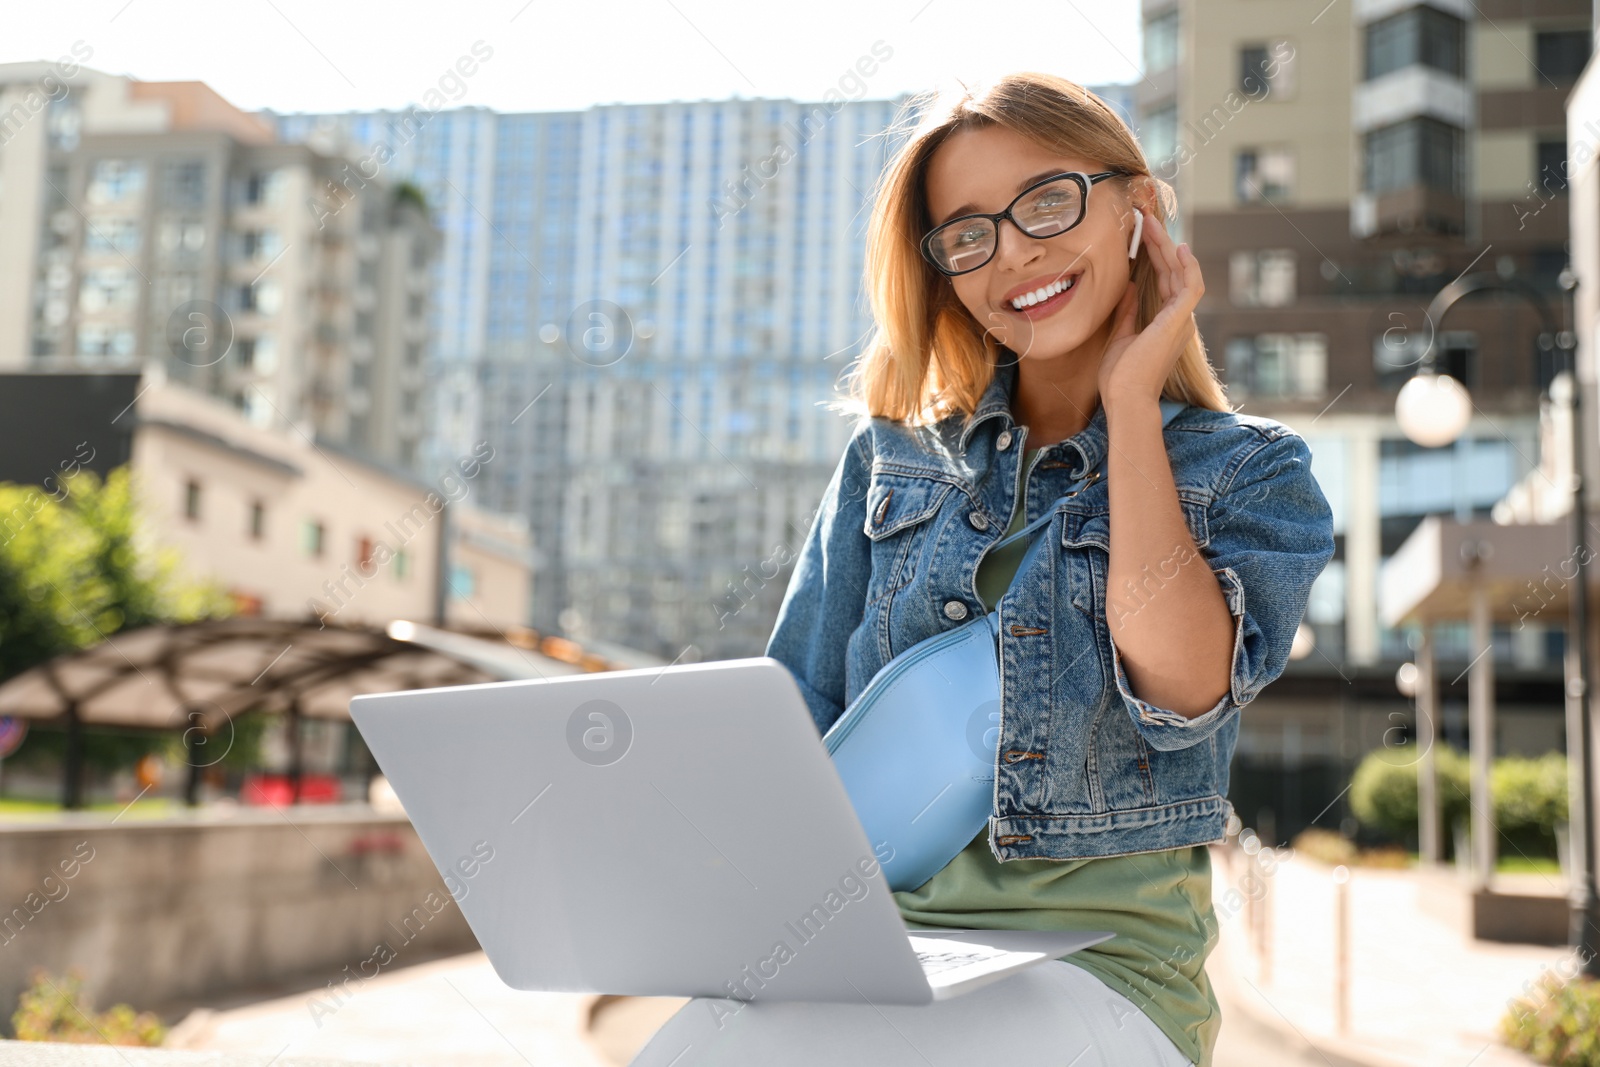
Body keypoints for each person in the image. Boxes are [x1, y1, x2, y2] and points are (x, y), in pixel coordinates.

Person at [629, 71, 1335, 1067]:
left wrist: (1132, 405)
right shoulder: (891, 462)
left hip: (1101, 969)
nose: (1013, 253)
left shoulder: (1249, 472)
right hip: (879, 953)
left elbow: (1184, 684)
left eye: (1047, 201)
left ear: (1138, 208)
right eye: (968, 233)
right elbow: (794, 719)